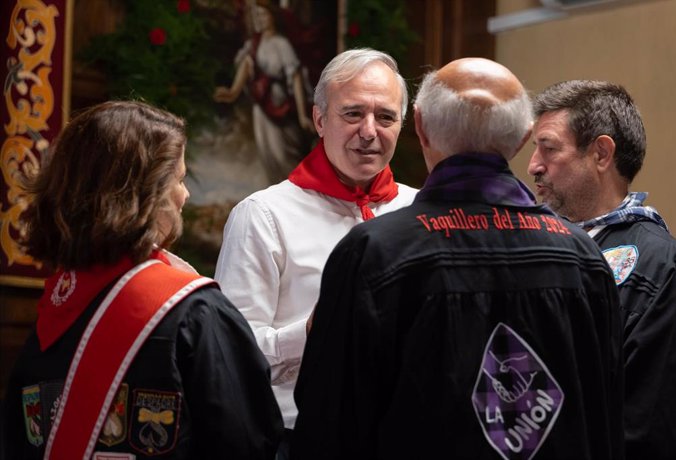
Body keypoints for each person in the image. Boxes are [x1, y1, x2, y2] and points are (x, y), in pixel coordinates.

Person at [290, 58, 624, 459]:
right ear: (522, 138)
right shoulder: (582, 255)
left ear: (419, 126)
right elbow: (604, 418)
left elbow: (328, 424)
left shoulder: (375, 251)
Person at [1, 100, 283, 460]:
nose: (185, 195)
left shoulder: (55, 310)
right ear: (144, 193)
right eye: (179, 179)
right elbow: (249, 443)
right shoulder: (193, 311)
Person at [214, 47, 418, 457]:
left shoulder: (422, 211)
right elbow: (229, 356)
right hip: (296, 438)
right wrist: (309, 333)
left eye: (385, 117)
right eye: (353, 114)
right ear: (320, 119)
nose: (369, 131)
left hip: (403, 437)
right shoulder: (263, 216)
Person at [527, 79, 676, 459]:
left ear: (601, 153)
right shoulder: (533, 246)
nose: (534, 165)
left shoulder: (663, 268)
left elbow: (652, 429)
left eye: (549, 148)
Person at [214, 0, 314, 184]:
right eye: (257, 15)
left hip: (280, 103)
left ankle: (296, 194)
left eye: (263, 15)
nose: (260, 19)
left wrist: (302, 115)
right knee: (267, 153)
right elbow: (247, 65)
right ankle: (276, 197)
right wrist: (232, 92)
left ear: (272, 17)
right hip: (261, 106)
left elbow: (296, 77)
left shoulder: (281, 43)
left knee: (283, 154)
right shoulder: (255, 43)